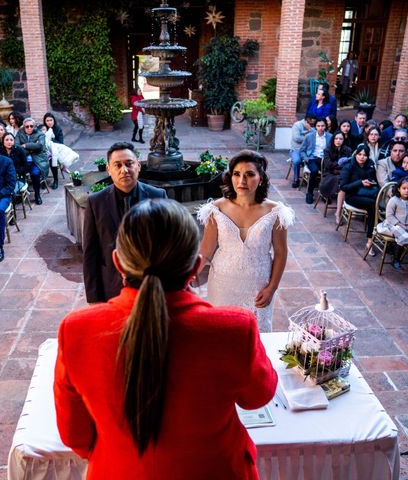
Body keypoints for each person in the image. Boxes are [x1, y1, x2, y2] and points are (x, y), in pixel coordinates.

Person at [54, 198, 277, 479]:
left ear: (118, 265)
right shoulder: (234, 330)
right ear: (196, 267)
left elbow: (76, 435)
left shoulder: (77, 331)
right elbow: (258, 396)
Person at [197, 150, 294, 333]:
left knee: (256, 335)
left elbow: (281, 253)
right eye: (236, 174)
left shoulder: (276, 212)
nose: (242, 181)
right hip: (222, 283)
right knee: (221, 333)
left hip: (258, 285)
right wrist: (187, 275)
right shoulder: (215, 209)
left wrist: (272, 287)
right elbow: (206, 250)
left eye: (249, 174)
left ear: (261, 178)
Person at [83, 142, 167, 303]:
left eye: (129, 164)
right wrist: (93, 298)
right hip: (112, 288)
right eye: (118, 165)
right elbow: (90, 253)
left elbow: (167, 245)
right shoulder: (96, 202)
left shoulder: (158, 196)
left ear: (138, 166)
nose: (124, 170)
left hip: (151, 287)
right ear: (109, 170)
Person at [376, 177, 408, 270]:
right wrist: (400, 224)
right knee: (403, 235)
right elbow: (389, 216)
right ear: (399, 189)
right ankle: (396, 259)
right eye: (404, 188)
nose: (406, 191)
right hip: (393, 224)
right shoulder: (394, 200)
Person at [340, 144, 379, 254]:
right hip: (352, 196)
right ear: (356, 154)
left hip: (367, 193)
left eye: (365, 155)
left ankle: (377, 235)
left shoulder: (370, 164)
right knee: (373, 205)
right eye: (360, 154)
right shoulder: (349, 166)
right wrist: (360, 183)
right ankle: (370, 240)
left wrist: (370, 182)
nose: (362, 157)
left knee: (378, 204)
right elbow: (343, 187)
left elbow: (374, 179)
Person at [319, 131, 352, 219]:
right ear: (333, 139)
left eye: (340, 139)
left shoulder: (348, 150)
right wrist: (339, 163)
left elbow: (349, 165)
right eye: (336, 138)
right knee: (341, 183)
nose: (338, 141)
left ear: (343, 140)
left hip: (343, 174)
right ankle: (339, 212)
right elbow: (328, 165)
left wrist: (338, 166)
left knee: (347, 183)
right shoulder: (327, 150)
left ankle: (343, 209)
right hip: (330, 174)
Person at [299, 117, 332, 204]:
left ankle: (325, 194)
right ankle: (309, 193)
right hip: (312, 158)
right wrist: (306, 159)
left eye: (323, 126)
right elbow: (302, 150)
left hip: (325, 159)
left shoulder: (330, 137)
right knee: (314, 171)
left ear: (326, 126)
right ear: (315, 127)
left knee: (328, 173)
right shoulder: (309, 136)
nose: (321, 128)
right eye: (318, 126)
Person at [15, 117, 46, 204]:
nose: (29, 128)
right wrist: (32, 148)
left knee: (35, 174)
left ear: (34, 126)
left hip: (36, 161)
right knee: (17, 173)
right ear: (23, 127)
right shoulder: (20, 133)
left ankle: (37, 195)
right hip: (23, 161)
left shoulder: (40, 134)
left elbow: (39, 146)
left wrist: (25, 145)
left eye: (31, 126)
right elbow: (17, 146)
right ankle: (19, 194)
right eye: (27, 126)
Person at [289, 114, 316, 188]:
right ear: (306, 121)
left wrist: (310, 130)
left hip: (308, 150)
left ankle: (311, 179)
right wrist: (308, 137)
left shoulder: (311, 127)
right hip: (296, 149)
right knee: (297, 161)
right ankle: (297, 179)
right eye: (311, 123)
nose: (312, 125)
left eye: (313, 124)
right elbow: (297, 138)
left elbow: (315, 136)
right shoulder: (297, 125)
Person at [43, 112, 64, 189]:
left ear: (53, 120)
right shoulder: (43, 129)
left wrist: (51, 139)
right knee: (40, 159)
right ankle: (43, 179)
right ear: (45, 121)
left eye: (51, 120)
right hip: (45, 150)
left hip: (55, 150)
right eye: (47, 121)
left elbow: (61, 143)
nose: (49, 122)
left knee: (52, 159)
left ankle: (56, 180)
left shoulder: (58, 129)